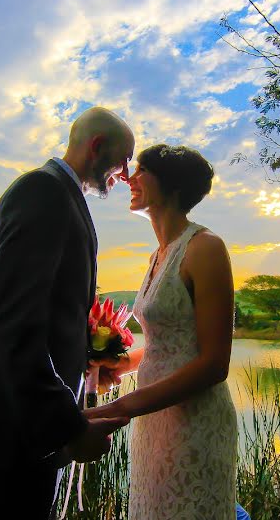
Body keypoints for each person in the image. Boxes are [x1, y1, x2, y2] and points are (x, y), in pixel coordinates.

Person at [0, 106, 135, 520]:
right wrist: (70, 427)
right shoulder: (42, 192)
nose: (126, 174)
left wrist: (89, 357)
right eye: (123, 160)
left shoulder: (59, 195)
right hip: (8, 425)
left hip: (23, 426)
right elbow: (15, 325)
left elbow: (48, 315)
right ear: (96, 145)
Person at [84, 144, 238, 519]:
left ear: (172, 186)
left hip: (195, 421)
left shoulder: (206, 248)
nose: (128, 178)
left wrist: (118, 408)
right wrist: (120, 365)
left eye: (141, 171)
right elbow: (166, 345)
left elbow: (214, 363)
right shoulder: (158, 255)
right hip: (156, 418)